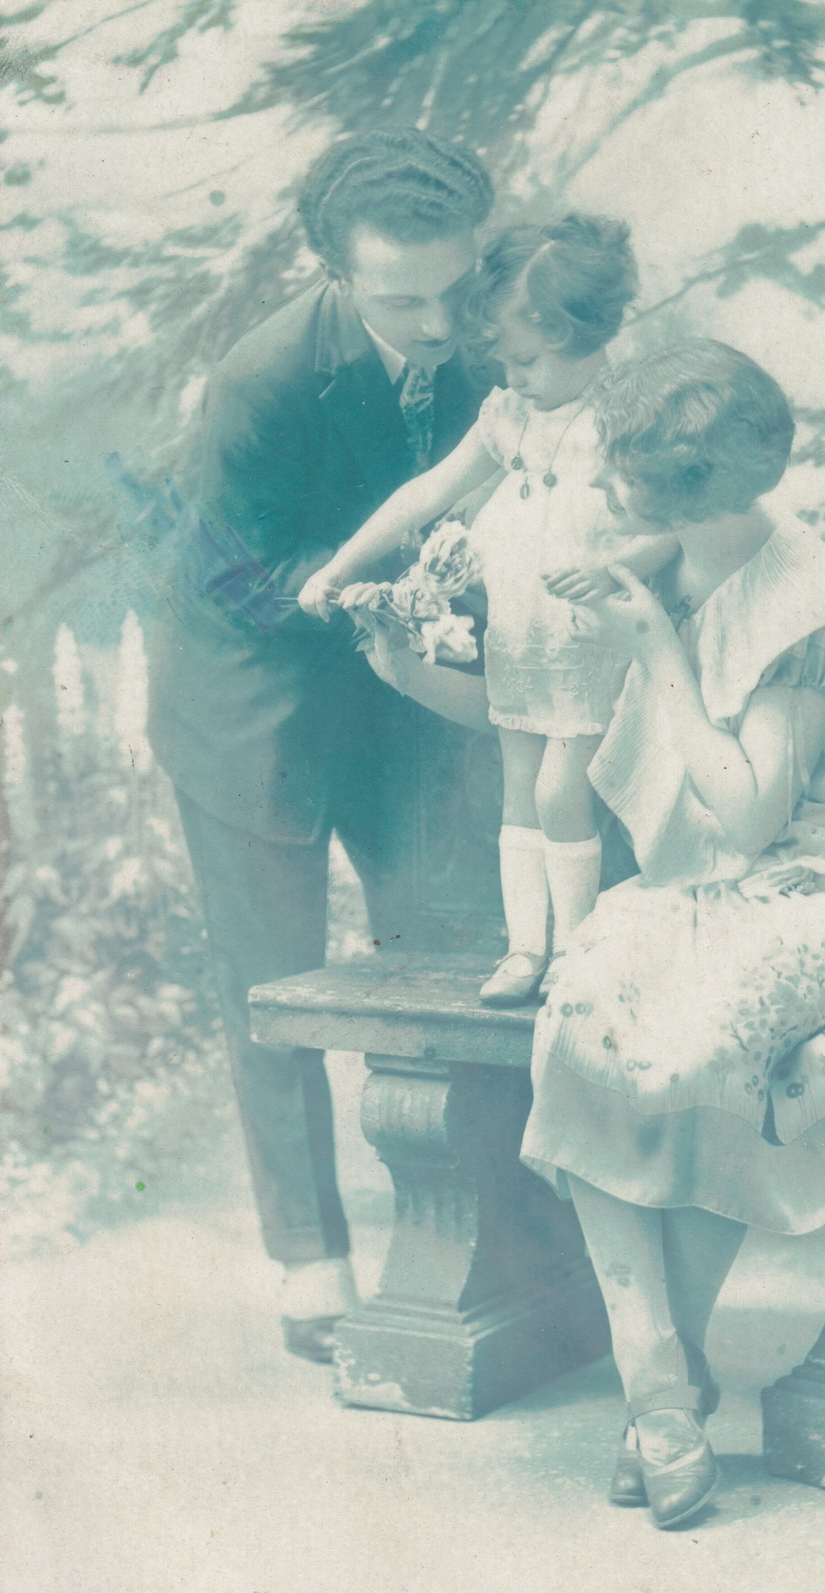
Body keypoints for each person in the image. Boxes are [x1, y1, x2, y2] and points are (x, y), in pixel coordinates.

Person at [509, 341, 825, 1528]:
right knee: (581, 1022)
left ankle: (664, 1397)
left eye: (620, 471)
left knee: (692, 1052)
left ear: (687, 486)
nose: (600, 485)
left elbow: (749, 816)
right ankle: (659, 1383)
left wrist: (656, 649)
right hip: (690, 893)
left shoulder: (807, 604)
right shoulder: (683, 547)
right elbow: (627, 580)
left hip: (821, 888)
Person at [147, 128, 494, 1363]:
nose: (442, 324)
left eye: (458, 288)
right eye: (404, 301)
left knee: (452, 956)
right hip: (251, 700)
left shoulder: (487, 333)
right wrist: (394, 590)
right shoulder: (260, 378)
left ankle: (480, 1242)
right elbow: (232, 573)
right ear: (336, 275)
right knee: (274, 985)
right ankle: (311, 1260)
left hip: (398, 691)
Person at [298, 214, 674, 1006]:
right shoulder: (511, 417)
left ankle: (577, 950)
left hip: (596, 641)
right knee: (518, 792)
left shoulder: (627, 418)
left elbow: (678, 528)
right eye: (504, 359)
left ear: (580, 334)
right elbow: (427, 492)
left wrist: (614, 568)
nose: (512, 375)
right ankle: (526, 948)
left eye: (527, 359)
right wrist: (341, 565)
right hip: (524, 634)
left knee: (561, 792)